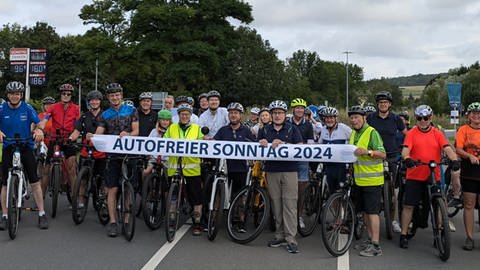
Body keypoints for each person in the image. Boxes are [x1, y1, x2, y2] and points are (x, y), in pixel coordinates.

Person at [399, 105, 459, 249]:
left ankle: (439, 231)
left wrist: (454, 159)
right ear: (416, 119)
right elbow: (405, 149)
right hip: (415, 174)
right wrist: (407, 158)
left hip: (433, 175)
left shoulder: (437, 133)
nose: (423, 121)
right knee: (409, 205)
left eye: (426, 118)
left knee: (438, 205)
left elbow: (447, 147)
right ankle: (403, 234)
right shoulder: (412, 133)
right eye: (419, 118)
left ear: (430, 118)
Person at [92, 83, 139, 237]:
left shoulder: (132, 110)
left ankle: (126, 219)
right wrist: (92, 136)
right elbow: (99, 131)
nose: (115, 97)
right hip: (112, 156)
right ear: (108, 97)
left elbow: (136, 131)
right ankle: (113, 222)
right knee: (112, 188)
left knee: (127, 189)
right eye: (112, 95)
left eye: (117, 95)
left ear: (121, 95)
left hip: (129, 154)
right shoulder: (104, 114)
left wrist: (129, 135)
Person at [0, 81, 48, 230]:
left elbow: (39, 122)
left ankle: (41, 213)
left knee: (34, 181)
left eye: (17, 94)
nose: (14, 96)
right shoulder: (1, 108)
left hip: (25, 145)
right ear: (8, 95)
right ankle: (5, 215)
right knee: (4, 183)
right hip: (8, 146)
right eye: (11, 93)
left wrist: (39, 130)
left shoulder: (27, 108)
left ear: (21, 95)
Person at [258, 100, 303, 254]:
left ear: (285, 114)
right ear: (271, 115)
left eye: (280, 113)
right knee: (276, 204)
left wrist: (284, 144)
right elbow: (256, 148)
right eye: (275, 113)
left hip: (289, 170)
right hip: (271, 170)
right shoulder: (264, 130)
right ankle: (279, 234)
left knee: (289, 204)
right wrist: (261, 142)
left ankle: (291, 238)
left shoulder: (292, 129)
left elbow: (301, 148)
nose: (277, 116)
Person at [367, 91, 407, 233]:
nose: (383, 105)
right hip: (375, 156)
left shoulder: (396, 119)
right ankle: (370, 218)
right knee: (373, 189)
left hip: (392, 156)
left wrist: (408, 148)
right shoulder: (370, 118)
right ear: (377, 105)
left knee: (392, 192)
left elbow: (406, 135)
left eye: (385, 102)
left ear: (389, 104)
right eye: (380, 103)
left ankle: (393, 220)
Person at [348, 105, 386, 257]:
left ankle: (376, 245)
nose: (353, 120)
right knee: (364, 212)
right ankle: (370, 240)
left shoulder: (372, 132)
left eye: (356, 117)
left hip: (373, 180)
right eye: (351, 117)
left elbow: (382, 154)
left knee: (372, 212)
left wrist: (368, 152)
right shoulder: (353, 134)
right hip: (359, 180)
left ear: (364, 118)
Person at [163, 103, 204, 236]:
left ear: (190, 116)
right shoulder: (172, 128)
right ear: (179, 115)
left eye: (187, 114)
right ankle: (171, 220)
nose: (184, 116)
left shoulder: (197, 129)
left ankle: (197, 222)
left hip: (192, 169)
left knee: (196, 197)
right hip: (174, 167)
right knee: (173, 197)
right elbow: (163, 142)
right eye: (182, 114)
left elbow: (203, 145)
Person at [39, 83, 80, 200]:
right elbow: (45, 119)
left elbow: (77, 125)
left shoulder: (76, 108)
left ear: (71, 95)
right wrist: (41, 129)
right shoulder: (53, 107)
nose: (66, 95)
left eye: (68, 94)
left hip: (68, 139)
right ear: (60, 94)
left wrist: (74, 135)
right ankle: (41, 197)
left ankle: (74, 196)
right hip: (54, 139)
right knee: (46, 169)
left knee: (71, 168)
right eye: (63, 93)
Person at [214, 102, 256, 209]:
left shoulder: (246, 131)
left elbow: (254, 148)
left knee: (239, 195)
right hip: (224, 168)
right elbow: (213, 144)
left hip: (240, 168)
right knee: (218, 193)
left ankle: (239, 218)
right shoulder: (223, 130)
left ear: (240, 115)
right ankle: (215, 217)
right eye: (231, 113)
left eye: (236, 113)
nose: (233, 115)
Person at [69, 90, 107, 208]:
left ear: (100, 101)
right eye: (92, 100)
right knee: (83, 179)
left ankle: (104, 201)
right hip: (87, 150)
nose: (94, 102)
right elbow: (76, 131)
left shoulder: (105, 115)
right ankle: (81, 200)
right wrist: (70, 139)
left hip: (101, 152)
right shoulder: (84, 116)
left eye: (96, 100)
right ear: (89, 102)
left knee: (102, 179)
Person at [455, 102, 480, 250]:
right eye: (474, 113)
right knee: (469, 205)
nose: (477, 116)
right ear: (468, 116)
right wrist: (469, 156)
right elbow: (458, 148)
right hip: (470, 172)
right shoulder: (463, 129)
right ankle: (469, 237)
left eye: (479, 113)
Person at [289, 98, 314, 230]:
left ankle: (298, 216)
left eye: (301, 108)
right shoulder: (286, 122)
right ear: (293, 109)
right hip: (287, 159)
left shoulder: (308, 124)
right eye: (297, 108)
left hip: (302, 160)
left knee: (301, 190)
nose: (299, 110)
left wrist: (299, 146)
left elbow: (310, 144)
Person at [318, 107, 352, 192]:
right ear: (324, 119)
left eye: (331, 118)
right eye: (327, 118)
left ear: (336, 118)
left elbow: (355, 138)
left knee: (341, 190)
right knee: (331, 191)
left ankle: (342, 205)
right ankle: (332, 205)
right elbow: (319, 145)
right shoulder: (323, 130)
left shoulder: (344, 128)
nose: (329, 120)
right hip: (328, 166)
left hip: (341, 166)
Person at [143, 109, 173, 177]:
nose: (165, 122)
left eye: (167, 120)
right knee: (146, 172)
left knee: (168, 175)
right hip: (154, 157)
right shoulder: (154, 131)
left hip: (166, 159)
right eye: (163, 120)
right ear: (159, 121)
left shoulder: (172, 132)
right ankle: (143, 186)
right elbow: (148, 142)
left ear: (170, 121)